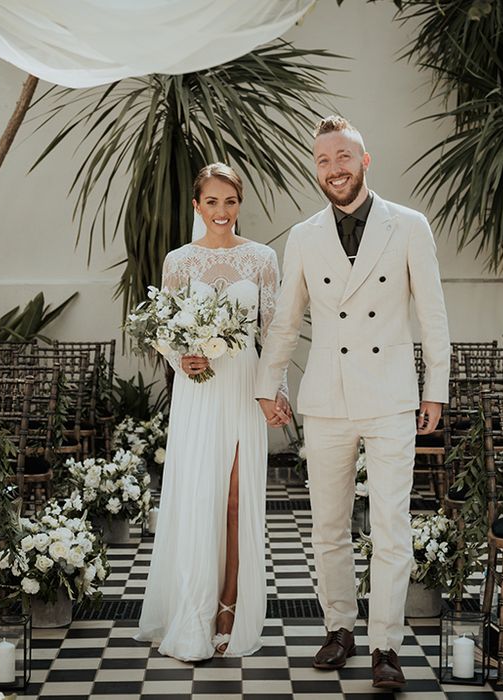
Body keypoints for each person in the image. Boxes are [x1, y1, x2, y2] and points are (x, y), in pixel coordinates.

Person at [255, 116, 450, 690]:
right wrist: (270, 387)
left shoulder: (409, 226)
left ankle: (386, 644)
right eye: (323, 160)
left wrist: (435, 388)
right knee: (329, 525)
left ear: (366, 161)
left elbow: (432, 314)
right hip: (328, 398)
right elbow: (287, 321)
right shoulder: (305, 235)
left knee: (391, 526)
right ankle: (339, 628)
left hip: (392, 399)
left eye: (343, 157)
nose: (334, 169)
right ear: (315, 168)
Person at [136, 163, 286, 661]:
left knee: (237, 501)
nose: (222, 212)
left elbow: (273, 334)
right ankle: (194, 609)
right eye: (212, 202)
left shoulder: (262, 259)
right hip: (199, 391)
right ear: (197, 206)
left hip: (244, 387)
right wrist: (182, 357)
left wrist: (276, 391)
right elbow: (163, 328)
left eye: (230, 201)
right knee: (201, 499)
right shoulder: (178, 261)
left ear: (238, 205)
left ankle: (229, 605)